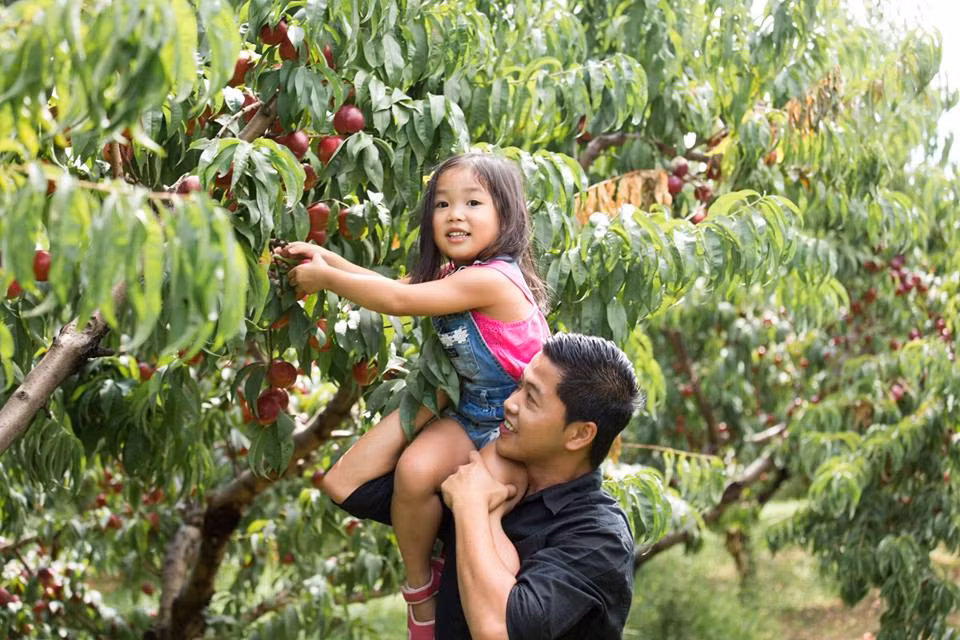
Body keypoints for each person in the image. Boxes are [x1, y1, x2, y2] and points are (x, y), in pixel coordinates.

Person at [276, 152, 550, 637]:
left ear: (506, 215)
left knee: (482, 515)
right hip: (468, 414)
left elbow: (400, 303)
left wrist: (327, 280)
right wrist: (328, 261)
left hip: (513, 431)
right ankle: (421, 586)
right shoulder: (455, 275)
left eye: (472, 202)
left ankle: (493, 614)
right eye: (442, 204)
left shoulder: (492, 279)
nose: (454, 214)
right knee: (414, 471)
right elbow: (392, 286)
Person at [332, 332, 640, 639]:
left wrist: (473, 506)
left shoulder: (599, 538)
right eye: (518, 385)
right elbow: (347, 482)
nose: (509, 403)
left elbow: (499, 631)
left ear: (579, 435)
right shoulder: (488, 471)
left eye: (530, 398)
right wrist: (441, 392)